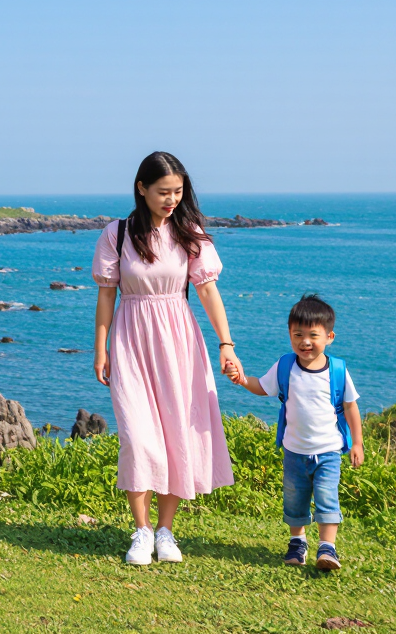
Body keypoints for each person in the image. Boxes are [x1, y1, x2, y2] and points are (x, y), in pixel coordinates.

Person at [92, 151, 242, 566]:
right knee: (138, 438)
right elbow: (107, 295)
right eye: (163, 192)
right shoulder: (116, 234)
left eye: (178, 191)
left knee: (177, 435)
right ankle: (140, 531)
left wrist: (226, 344)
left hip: (179, 339)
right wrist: (100, 347)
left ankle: (166, 532)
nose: (171, 199)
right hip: (131, 339)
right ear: (142, 188)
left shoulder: (189, 233)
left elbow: (209, 291)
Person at [225, 294, 365, 571]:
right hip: (294, 451)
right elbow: (262, 387)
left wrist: (357, 442)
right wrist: (241, 380)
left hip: (328, 450)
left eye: (313, 335)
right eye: (297, 334)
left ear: (330, 336)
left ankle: (328, 547)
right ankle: (297, 542)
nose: (305, 341)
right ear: (289, 335)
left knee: (327, 497)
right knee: (294, 499)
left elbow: (350, 407)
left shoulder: (337, 370)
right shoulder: (285, 366)